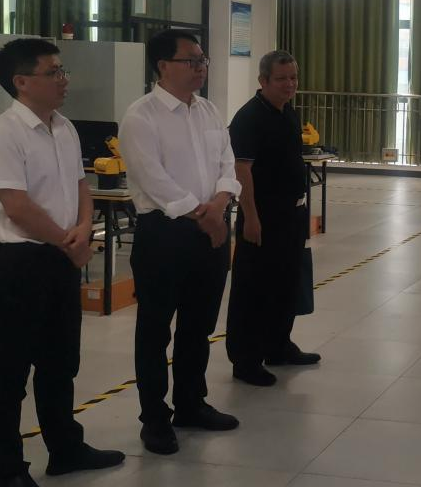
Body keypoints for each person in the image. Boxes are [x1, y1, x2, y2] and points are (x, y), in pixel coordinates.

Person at [0, 38, 125, 487]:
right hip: (18, 264)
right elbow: (16, 207)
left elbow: (81, 186)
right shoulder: (1, 134)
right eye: (53, 72)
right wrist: (68, 241)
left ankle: (65, 448)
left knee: (61, 364)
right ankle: (8, 474)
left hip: (61, 257)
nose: (64, 80)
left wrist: (83, 229)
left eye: (63, 71)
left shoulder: (64, 127)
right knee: (8, 376)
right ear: (22, 81)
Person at [119, 29, 242, 455]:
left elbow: (227, 163)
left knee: (198, 326)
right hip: (165, 234)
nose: (200, 67)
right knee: (155, 331)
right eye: (191, 60)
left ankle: (191, 403)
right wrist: (204, 216)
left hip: (212, 227)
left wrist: (220, 204)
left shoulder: (208, 111)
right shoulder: (141, 117)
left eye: (203, 59)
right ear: (163, 66)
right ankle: (154, 419)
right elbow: (154, 180)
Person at [226, 50, 320, 386]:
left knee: (286, 282)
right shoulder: (249, 118)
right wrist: (251, 217)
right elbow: (242, 170)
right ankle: (246, 359)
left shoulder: (287, 111)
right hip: (262, 216)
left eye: (293, 77)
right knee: (255, 288)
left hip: (291, 215)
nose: (289, 84)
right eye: (281, 79)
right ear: (263, 80)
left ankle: (278, 345)